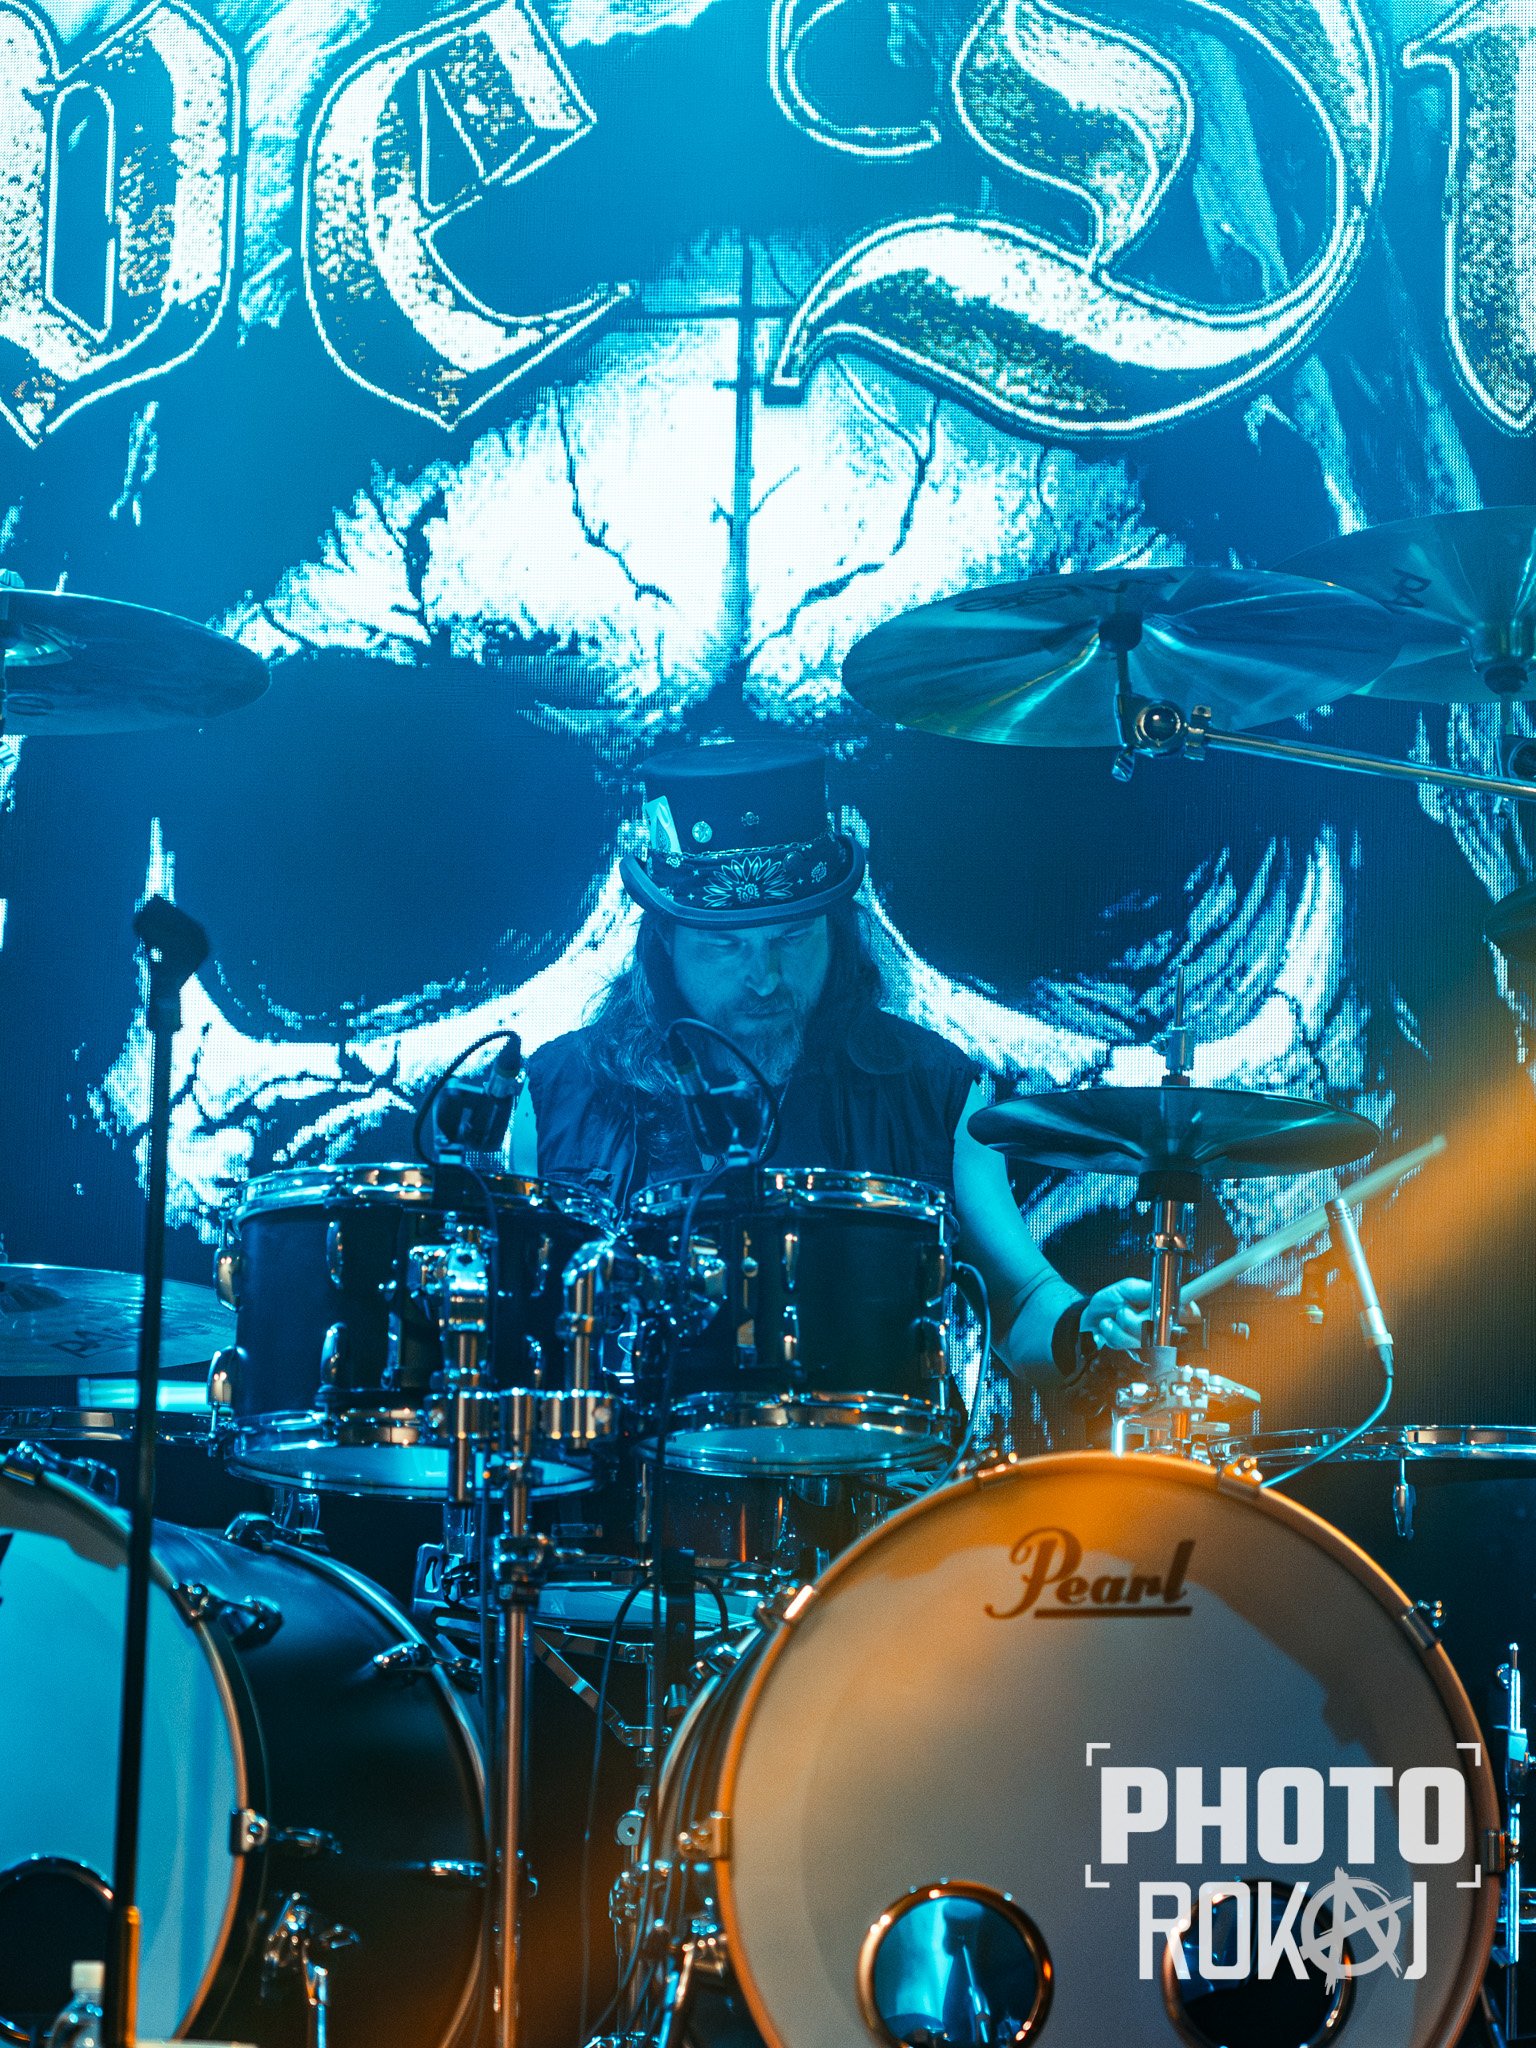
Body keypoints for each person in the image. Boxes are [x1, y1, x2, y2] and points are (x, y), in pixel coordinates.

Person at [513, 739, 1150, 1387]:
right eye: (725, 946)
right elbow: (523, 1328)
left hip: (869, 1453)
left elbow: (1019, 1304)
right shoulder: (558, 1092)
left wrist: (1087, 1325)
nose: (765, 978)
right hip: (630, 1452)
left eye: (792, 937)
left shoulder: (933, 1086)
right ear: (665, 942)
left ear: (836, 930)